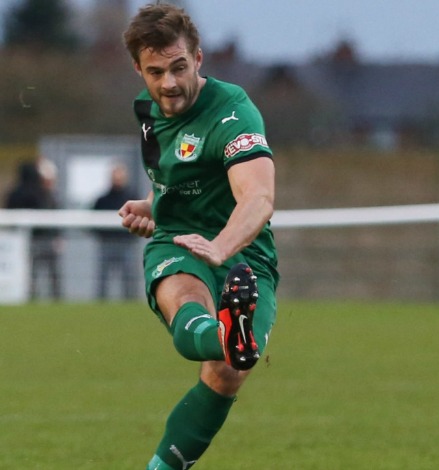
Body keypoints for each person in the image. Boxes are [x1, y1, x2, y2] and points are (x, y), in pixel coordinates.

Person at [119, 4, 279, 469]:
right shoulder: (146, 111)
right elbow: (169, 172)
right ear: (138, 69)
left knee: (228, 371)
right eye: (155, 71)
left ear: (199, 59)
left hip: (245, 254)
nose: (169, 82)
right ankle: (229, 331)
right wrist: (154, 205)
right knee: (188, 303)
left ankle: (231, 335)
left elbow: (258, 197)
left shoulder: (233, 113)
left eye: (178, 67)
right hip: (177, 242)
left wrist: (223, 246)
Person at [5, 158, 62, 299]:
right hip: (42, 239)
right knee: (47, 272)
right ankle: (54, 297)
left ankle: (33, 296)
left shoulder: (14, 193)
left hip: (23, 240)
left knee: (31, 272)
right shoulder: (41, 193)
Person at [92, 163, 139, 299]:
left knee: (128, 276)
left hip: (126, 243)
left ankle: (130, 301)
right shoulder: (102, 199)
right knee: (103, 276)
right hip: (107, 243)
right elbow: (93, 219)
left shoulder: (132, 197)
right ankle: (101, 302)